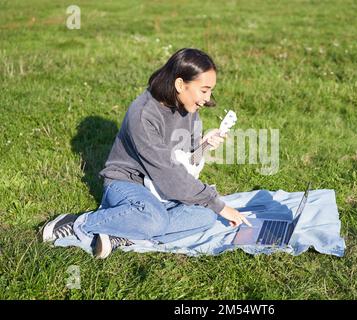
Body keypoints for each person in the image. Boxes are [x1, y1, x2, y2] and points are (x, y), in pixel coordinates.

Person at [42, 48, 251, 259]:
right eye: (204, 90)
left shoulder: (190, 111)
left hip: (161, 192)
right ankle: (77, 222)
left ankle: (126, 233)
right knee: (159, 218)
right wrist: (219, 205)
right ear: (180, 84)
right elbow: (170, 174)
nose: (207, 99)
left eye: (210, 91)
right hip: (128, 184)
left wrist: (203, 144)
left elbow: (185, 161)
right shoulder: (143, 114)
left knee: (206, 216)